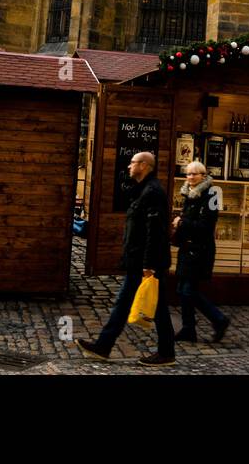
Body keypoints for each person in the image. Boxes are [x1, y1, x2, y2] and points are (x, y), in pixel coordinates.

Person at [77, 151, 176, 366]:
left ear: (144, 165)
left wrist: (149, 265)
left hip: (147, 263)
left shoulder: (153, 192)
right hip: (138, 262)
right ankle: (104, 345)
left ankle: (165, 353)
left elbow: (155, 232)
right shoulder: (142, 191)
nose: (129, 166)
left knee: (154, 308)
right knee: (128, 305)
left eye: (133, 163)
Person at [172, 161, 230, 344]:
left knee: (188, 290)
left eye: (194, 174)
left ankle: (219, 320)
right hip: (187, 249)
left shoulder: (212, 194)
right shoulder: (189, 193)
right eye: (188, 174)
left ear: (204, 176)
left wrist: (181, 223)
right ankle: (189, 329)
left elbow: (206, 226)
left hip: (200, 250)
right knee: (183, 290)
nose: (190, 177)